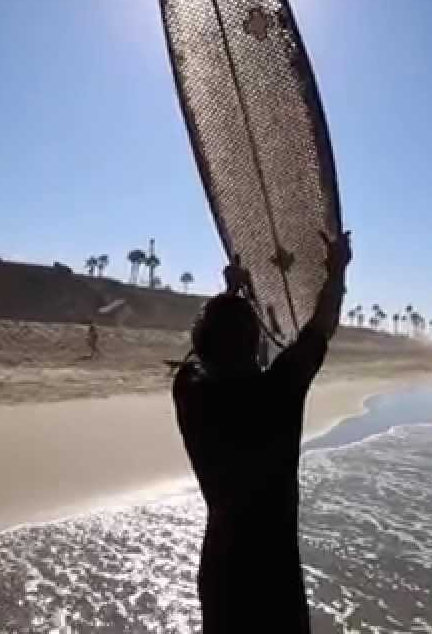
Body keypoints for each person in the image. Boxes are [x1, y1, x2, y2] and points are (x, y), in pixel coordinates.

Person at [172, 231, 351, 634]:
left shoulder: (190, 390)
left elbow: (201, 354)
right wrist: (336, 270)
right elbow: (320, 329)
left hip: (221, 569)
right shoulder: (278, 391)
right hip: (273, 578)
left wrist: (232, 294)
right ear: (255, 344)